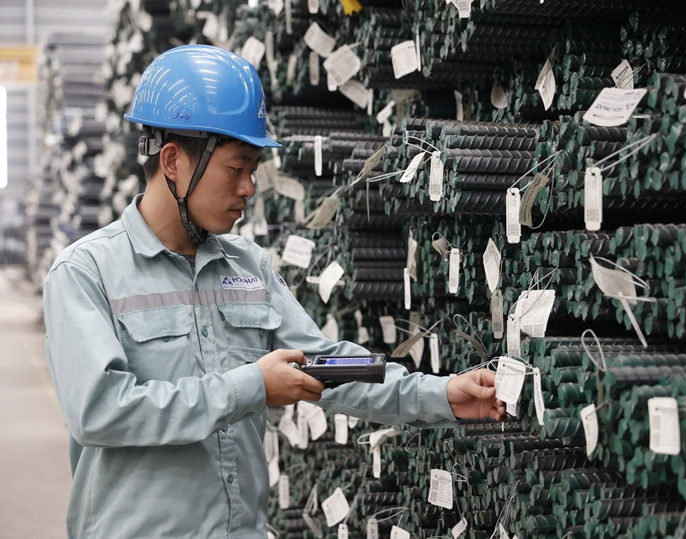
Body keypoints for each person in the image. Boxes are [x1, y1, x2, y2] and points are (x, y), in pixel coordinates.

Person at [43, 45, 505, 538]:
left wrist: (442, 394)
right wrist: (252, 386)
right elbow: (102, 412)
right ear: (173, 161)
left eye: (254, 171)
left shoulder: (248, 268)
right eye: (235, 169)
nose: (248, 189)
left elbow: (324, 366)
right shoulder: (86, 272)